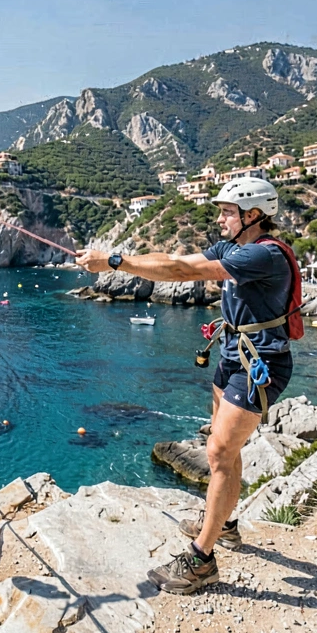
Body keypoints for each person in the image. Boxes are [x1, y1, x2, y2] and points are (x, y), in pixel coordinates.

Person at [78, 177, 301, 595]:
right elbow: (173, 260)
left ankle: (202, 560)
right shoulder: (233, 248)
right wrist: (122, 260)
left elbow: (183, 271)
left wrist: (113, 261)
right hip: (233, 353)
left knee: (218, 451)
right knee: (223, 447)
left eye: (228, 212)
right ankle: (226, 524)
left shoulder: (262, 255)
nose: (220, 219)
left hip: (261, 363)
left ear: (252, 216)